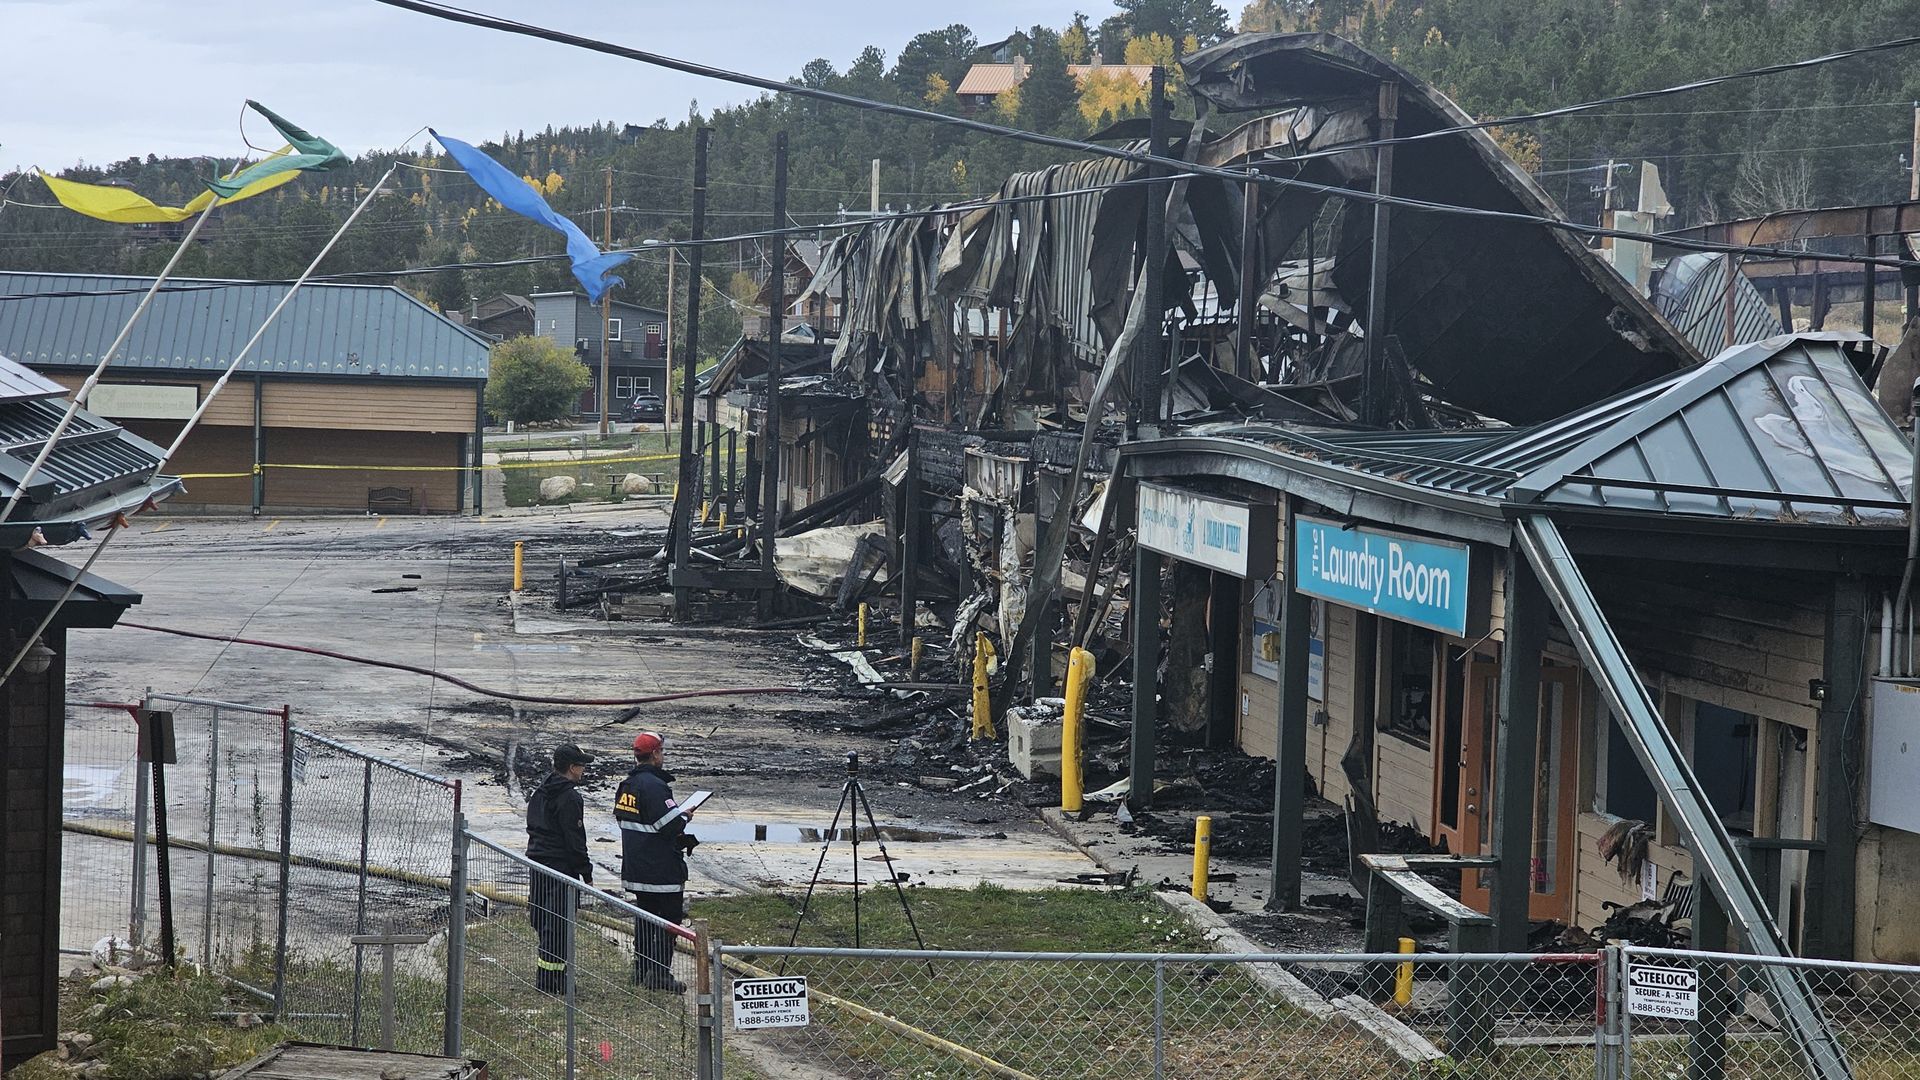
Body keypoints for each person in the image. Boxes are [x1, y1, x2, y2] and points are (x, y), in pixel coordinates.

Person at [614, 730, 697, 991]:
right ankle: (660, 975)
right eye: (661, 751)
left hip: (637, 868)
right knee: (668, 923)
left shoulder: (627, 786)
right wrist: (684, 815)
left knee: (644, 921)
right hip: (661, 871)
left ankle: (641, 972)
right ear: (656, 754)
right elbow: (669, 826)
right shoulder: (656, 787)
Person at [526, 743, 594, 994]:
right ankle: (554, 980)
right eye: (582, 765)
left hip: (537, 863)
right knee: (559, 923)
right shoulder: (570, 798)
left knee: (543, 918)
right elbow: (575, 839)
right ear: (572, 768)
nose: (584, 769)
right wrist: (586, 872)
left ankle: (547, 975)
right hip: (561, 868)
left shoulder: (541, 792)